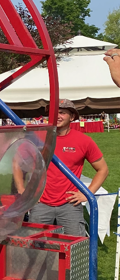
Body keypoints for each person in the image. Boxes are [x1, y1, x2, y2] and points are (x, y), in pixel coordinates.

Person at [28, 99, 109, 236]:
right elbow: (17, 165)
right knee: (36, 247)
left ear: (72, 117)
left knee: (75, 246)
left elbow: (103, 170)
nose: (57, 116)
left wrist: (86, 194)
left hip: (69, 204)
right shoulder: (38, 138)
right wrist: (26, 192)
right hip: (41, 204)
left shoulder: (84, 141)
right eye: (54, 113)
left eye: (62, 113)